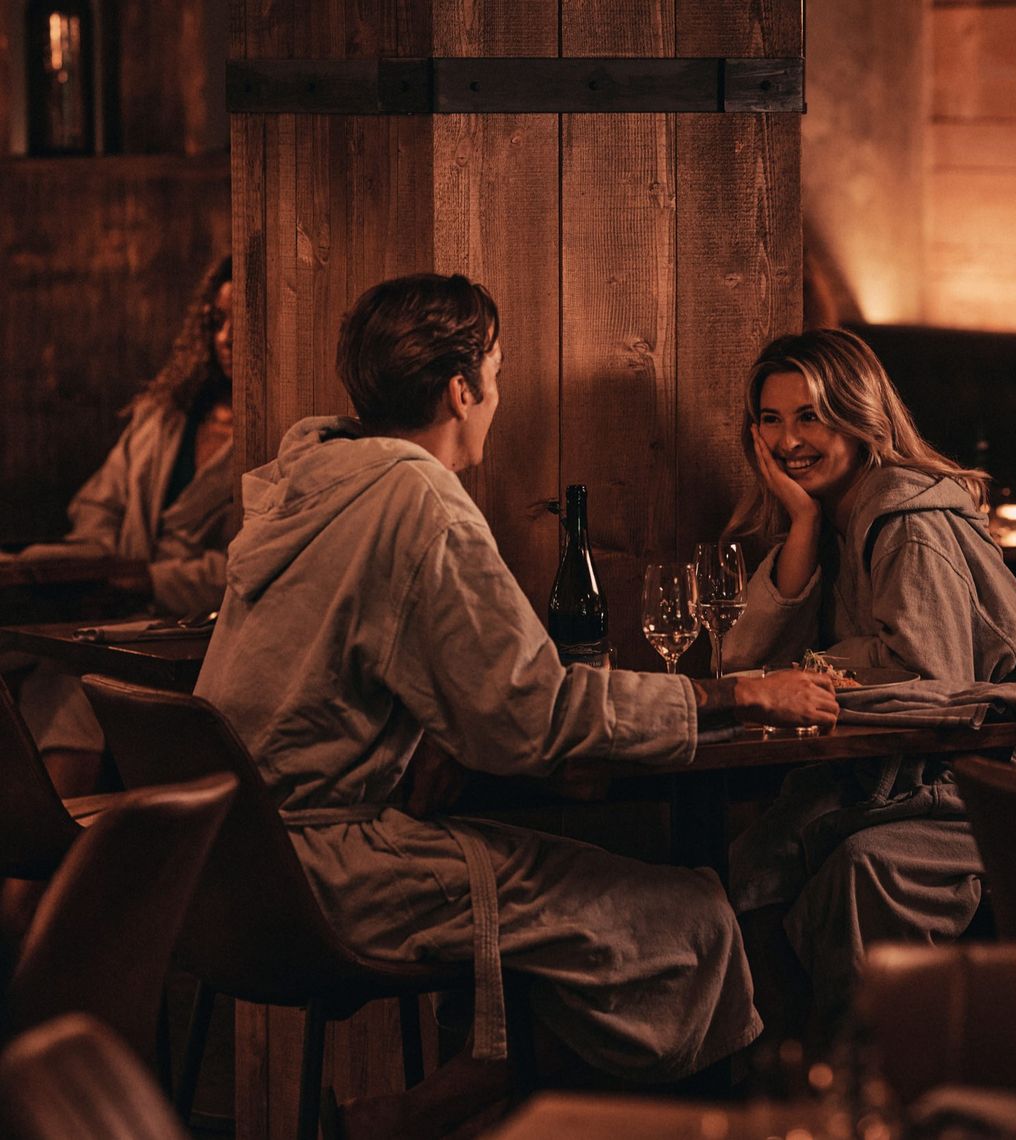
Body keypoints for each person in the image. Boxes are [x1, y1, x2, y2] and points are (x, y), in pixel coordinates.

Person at [193, 273, 838, 1138]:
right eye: (496, 371)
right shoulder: (419, 500)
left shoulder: (314, 478)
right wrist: (735, 694)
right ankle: (438, 1110)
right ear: (463, 389)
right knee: (694, 922)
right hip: (327, 874)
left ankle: (452, 1094)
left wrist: (438, 734)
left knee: (596, 918)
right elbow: (534, 717)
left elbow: (416, 686)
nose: (497, 393)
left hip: (230, 871)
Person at [720, 327, 1016, 1044]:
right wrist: (798, 524)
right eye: (771, 418)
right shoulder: (829, 519)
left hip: (996, 787)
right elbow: (746, 662)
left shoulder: (908, 520)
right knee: (742, 870)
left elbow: (935, 678)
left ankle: (867, 1086)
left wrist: (809, 674)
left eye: (811, 415)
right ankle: (785, 1085)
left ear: (859, 417)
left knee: (857, 874)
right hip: (900, 779)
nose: (788, 439)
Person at [10, 253, 237, 792]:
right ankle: (41, 864)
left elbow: (252, 564)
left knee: (75, 695)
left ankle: (55, 868)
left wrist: (154, 579)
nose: (226, 337)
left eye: (241, 322)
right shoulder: (163, 417)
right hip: (114, 623)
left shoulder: (279, 430)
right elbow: (99, 507)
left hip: (194, 644)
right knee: (34, 674)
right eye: (216, 321)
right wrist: (85, 564)